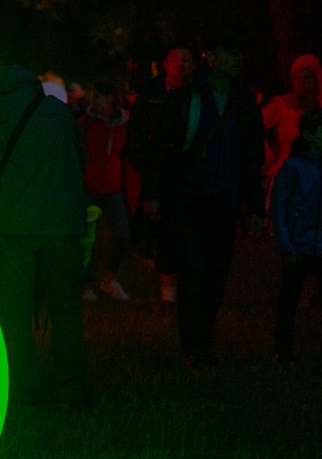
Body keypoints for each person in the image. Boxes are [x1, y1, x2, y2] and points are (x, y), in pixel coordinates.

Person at [128, 42, 265, 370]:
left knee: (215, 274)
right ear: (213, 59)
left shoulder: (244, 101)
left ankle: (201, 342)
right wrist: (154, 193)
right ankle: (194, 347)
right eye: (231, 53)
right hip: (189, 198)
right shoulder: (188, 97)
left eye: (238, 53)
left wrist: (256, 207)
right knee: (195, 270)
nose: (238, 59)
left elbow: (252, 157)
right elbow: (162, 148)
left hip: (225, 200)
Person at [0, 66, 87, 407]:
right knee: (66, 307)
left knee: (16, 309)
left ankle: (27, 385)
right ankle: (70, 388)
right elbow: (81, 159)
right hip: (63, 223)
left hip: (14, 223)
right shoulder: (60, 112)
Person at [127, 45, 197, 304]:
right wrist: (143, 163)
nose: (180, 64)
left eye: (185, 60)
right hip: (159, 171)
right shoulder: (151, 95)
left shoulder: (199, 95)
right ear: (166, 64)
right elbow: (137, 132)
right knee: (163, 226)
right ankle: (167, 286)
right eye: (175, 59)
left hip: (190, 172)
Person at [271, 108, 322, 371]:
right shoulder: (293, 167)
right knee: (289, 299)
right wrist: (286, 245)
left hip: (321, 245)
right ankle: (282, 349)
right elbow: (279, 206)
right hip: (299, 245)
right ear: (309, 134)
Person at [79, 80, 134, 301]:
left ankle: (109, 279)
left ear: (110, 99)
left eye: (98, 97)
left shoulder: (124, 125)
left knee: (123, 236)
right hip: (88, 188)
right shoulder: (85, 123)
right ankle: (84, 283)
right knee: (86, 240)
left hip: (113, 188)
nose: (93, 101)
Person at [263, 54, 322, 211]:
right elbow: (253, 127)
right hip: (289, 177)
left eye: (306, 77)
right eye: (296, 77)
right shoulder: (281, 105)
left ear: (317, 77)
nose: (301, 82)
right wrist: (268, 157)